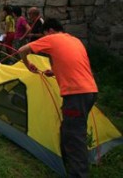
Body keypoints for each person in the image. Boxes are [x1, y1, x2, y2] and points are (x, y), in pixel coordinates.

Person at [18, 18, 98, 178]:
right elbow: (76, 64)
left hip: (76, 94)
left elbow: (22, 50)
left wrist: (27, 64)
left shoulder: (52, 38)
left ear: (49, 31)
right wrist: (54, 71)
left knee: (75, 136)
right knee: (70, 129)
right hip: (90, 91)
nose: (43, 38)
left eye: (43, 34)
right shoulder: (75, 40)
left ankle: (78, 173)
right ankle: (65, 158)